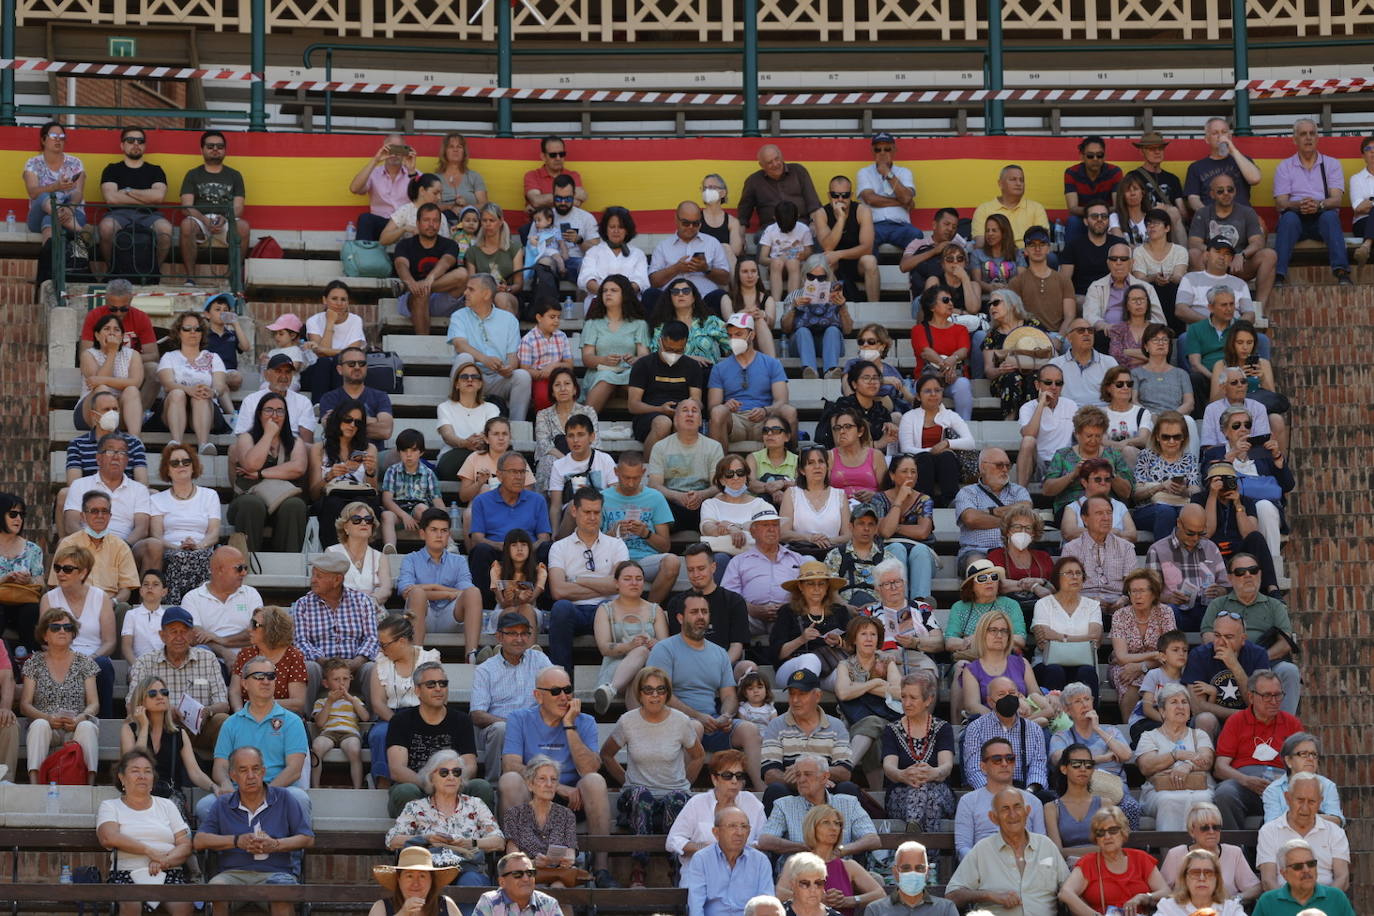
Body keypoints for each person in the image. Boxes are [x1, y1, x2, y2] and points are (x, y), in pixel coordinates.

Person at [499, 667, 615, 885]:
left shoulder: (585, 721)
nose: (564, 697)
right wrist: (556, 786)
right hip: (535, 797)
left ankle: (601, 868)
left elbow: (590, 768)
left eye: (567, 690)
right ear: (538, 696)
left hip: (573, 802)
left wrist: (569, 725)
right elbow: (510, 763)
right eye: (555, 691)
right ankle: (517, 864)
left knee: (595, 781)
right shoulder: (519, 718)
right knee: (510, 780)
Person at [599, 667, 704, 885]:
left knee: (677, 798)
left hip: (672, 797)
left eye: (660, 689)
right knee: (641, 795)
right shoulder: (628, 721)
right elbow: (607, 755)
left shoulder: (681, 721)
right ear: (639, 693)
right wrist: (626, 781)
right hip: (637, 799)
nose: (654, 695)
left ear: (667, 693)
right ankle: (639, 869)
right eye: (648, 690)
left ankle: (676, 868)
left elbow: (698, 757)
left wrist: (684, 784)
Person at [649, 591, 764, 787]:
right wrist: (698, 716)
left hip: (711, 723)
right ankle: (678, 792)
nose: (701, 616)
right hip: (673, 722)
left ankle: (761, 789)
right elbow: (660, 695)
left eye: (704, 611)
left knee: (749, 729)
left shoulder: (719, 653)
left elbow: (729, 695)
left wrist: (726, 716)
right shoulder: (664, 649)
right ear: (680, 617)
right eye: (694, 612)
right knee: (695, 727)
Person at [195, 745, 314, 913]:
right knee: (216, 889)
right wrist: (236, 841)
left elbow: (307, 838)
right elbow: (199, 841)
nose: (251, 776)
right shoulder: (223, 803)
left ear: (263, 772)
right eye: (243, 770)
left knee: (282, 891)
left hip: (276, 873)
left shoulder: (284, 798)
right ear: (233, 776)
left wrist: (276, 844)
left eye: (255, 769)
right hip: (232, 874)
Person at [384, 659, 491, 818]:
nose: (438, 689)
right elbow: (397, 770)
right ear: (418, 690)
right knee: (405, 791)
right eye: (431, 684)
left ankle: (473, 838)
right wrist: (431, 784)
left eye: (443, 684)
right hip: (418, 787)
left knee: (481, 787)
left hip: (453, 786)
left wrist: (450, 783)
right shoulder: (401, 720)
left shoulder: (461, 720)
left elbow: (470, 765)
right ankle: (419, 840)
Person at [383, 749, 503, 890]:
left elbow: (499, 841)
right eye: (444, 772)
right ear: (431, 778)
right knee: (425, 880)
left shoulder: (475, 804)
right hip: (428, 869)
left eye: (456, 772)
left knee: (470, 881)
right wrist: (426, 838)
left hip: (468, 869)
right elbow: (392, 840)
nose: (451, 777)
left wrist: (470, 842)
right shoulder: (415, 807)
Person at [97, 748, 195, 916]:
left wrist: (165, 861)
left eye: (147, 771)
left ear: (153, 778)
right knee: (131, 904)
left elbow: (185, 844)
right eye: (135, 771)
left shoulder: (167, 805)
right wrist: (149, 851)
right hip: (126, 874)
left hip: (168, 872)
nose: (142, 776)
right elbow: (108, 837)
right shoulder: (110, 806)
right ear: (122, 777)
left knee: (183, 906)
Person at [1200, 555, 1300, 715]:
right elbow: (1208, 637)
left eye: (1253, 571)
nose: (1248, 575)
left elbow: (1285, 643)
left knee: (1289, 670)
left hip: (1266, 664)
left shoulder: (1274, 606)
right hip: (1225, 665)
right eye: (1240, 572)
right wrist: (1233, 658)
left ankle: (1283, 730)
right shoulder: (1218, 604)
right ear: (1230, 578)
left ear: (1260, 574)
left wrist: (1259, 658)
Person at [946, 787, 1069, 916]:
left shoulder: (1046, 846)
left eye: (1017, 807)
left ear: (1027, 812)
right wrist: (989, 895)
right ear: (993, 818)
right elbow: (952, 895)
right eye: (1005, 809)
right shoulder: (982, 850)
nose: (1013, 814)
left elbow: (1069, 889)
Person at [126, 603, 231, 749]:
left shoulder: (208, 658)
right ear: (162, 636)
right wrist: (166, 711)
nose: (179, 637)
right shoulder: (144, 662)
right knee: (131, 721)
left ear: (192, 634)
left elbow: (223, 704)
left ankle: (221, 769)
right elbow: (131, 704)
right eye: (173, 631)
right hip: (158, 727)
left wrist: (206, 711)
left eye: (184, 631)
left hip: (199, 730)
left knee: (223, 720)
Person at [1211, 666, 1303, 828]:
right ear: (1251, 697)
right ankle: (1236, 850)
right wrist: (1245, 780)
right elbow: (1220, 767)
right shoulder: (1236, 721)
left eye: (1278, 695)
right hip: (1243, 785)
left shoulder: (1291, 723)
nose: (1274, 701)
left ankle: (1288, 850)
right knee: (1224, 794)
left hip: (1281, 786)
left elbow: (1303, 765)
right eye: (1267, 696)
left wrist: (1283, 783)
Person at [21, 605, 100, 784]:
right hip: (47, 724)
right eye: (55, 628)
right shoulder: (34, 662)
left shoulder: (84, 661)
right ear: (45, 635)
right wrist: (48, 718)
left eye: (67, 627)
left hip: (76, 725)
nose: (62, 631)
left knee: (87, 727)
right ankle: (35, 784)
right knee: (39, 725)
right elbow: (25, 704)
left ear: (73, 634)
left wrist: (79, 718)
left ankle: (90, 784)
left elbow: (94, 703)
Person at [39, 542, 117, 717]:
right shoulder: (48, 598)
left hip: (95, 657)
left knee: (103, 665)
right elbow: (45, 639)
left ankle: (105, 721)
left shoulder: (100, 597)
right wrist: (68, 659)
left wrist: (90, 660)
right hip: (60, 655)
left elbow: (110, 642)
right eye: (58, 568)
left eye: (67, 569)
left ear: (83, 572)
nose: (60, 573)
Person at [227, 392, 309, 553]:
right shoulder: (246, 438)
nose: (275, 415)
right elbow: (251, 464)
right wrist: (269, 434)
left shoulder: (295, 441)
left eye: (280, 411)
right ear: (259, 414)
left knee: (295, 505)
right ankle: (245, 563)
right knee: (251, 504)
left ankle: (289, 564)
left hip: (281, 498)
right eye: (269, 410)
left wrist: (261, 474)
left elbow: (298, 468)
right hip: (247, 498)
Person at [467, 452, 551, 606]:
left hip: (529, 553)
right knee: (480, 551)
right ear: (499, 475)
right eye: (513, 472)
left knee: (548, 548)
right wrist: (503, 547)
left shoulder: (537, 500)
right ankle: (486, 607)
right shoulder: (482, 501)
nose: (519, 477)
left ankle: (546, 607)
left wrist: (528, 548)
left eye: (522, 472)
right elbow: (477, 537)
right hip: (498, 552)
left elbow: (544, 536)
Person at [368, 614, 441, 789]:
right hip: (390, 717)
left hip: (425, 714)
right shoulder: (380, 663)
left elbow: (437, 696)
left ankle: (429, 783)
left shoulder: (429, 659)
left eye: (384, 644)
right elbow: (377, 703)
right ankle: (382, 783)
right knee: (380, 735)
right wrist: (399, 724)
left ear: (401, 641)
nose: (381, 649)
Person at [1273, 118, 1350, 284]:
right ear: (1295, 140)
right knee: (1288, 218)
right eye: (1303, 134)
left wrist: (1319, 204)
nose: (1308, 138)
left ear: (1317, 138)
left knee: (1330, 217)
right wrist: (1299, 205)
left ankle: (1342, 272)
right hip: (1295, 219)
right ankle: (1278, 275)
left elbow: (1336, 200)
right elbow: (1280, 203)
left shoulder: (1332, 164)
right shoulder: (1284, 166)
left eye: (1312, 133)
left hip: (1321, 218)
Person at [757, 751, 878, 857]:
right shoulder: (784, 805)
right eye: (798, 775)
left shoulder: (849, 803)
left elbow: (873, 839)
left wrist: (840, 851)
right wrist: (803, 847)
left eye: (808, 774)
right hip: (797, 873)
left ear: (825, 777)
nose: (801, 779)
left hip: (840, 870)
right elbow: (765, 840)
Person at [292, 552, 381, 693]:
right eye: (313, 575)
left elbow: (372, 638)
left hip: (355, 669)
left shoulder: (362, 601)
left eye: (319, 576)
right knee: (309, 667)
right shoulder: (303, 604)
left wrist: (357, 662)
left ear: (337, 580)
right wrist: (325, 662)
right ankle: (304, 715)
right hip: (321, 668)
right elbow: (301, 642)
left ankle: (373, 715)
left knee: (371, 668)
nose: (313, 580)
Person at [448, 273, 532, 422]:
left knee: (522, 376)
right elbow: (460, 345)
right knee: (464, 358)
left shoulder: (509, 320)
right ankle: (458, 415)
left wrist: (508, 368)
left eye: (471, 289)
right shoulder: (459, 316)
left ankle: (516, 426)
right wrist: (485, 360)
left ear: (486, 294)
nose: (465, 293)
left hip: (498, 378)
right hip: (471, 376)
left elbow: (513, 357)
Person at [1057, 806, 1169, 916]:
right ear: (1096, 838)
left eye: (1113, 830)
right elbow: (1065, 893)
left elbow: (1166, 892)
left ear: (1123, 832)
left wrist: (1144, 897)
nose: (1107, 836)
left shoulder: (1140, 859)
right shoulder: (1088, 863)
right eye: (1100, 832)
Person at [775, 806, 887, 914]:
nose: (833, 828)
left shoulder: (849, 866)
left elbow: (880, 894)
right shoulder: (796, 863)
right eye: (826, 822)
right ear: (812, 827)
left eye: (837, 823)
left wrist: (847, 901)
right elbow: (780, 893)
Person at [1134, 680, 1215, 830]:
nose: (1180, 706)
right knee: (1168, 800)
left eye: (1184, 702)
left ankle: (1202, 853)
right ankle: (1172, 853)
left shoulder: (1199, 734)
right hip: (1161, 790)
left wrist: (1187, 766)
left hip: (1198, 788)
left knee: (1202, 800)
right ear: (1162, 711)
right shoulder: (1149, 736)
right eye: (1174, 702)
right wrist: (1176, 755)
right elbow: (1146, 766)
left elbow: (1207, 760)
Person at [398, 508, 482, 652]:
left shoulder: (459, 561)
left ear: (449, 534)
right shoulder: (410, 559)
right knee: (417, 594)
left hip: (451, 617)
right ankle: (416, 655)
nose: (439, 535)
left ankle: (471, 655)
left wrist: (430, 589)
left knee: (474, 593)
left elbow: (465, 591)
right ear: (422, 533)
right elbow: (406, 592)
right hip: (422, 616)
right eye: (434, 530)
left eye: (444, 531)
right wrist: (448, 593)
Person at [881, 670, 955, 830]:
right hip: (901, 794)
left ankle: (913, 838)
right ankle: (929, 854)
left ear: (928, 700)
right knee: (927, 799)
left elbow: (946, 766)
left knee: (929, 794)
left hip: (939, 791)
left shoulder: (943, 728)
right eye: (903, 697)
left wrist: (932, 773)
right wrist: (902, 775)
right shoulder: (891, 729)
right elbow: (889, 767)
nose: (906, 703)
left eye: (913, 698)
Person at [708, 312, 798, 445]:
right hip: (735, 420)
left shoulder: (772, 363)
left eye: (738, 334)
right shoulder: (719, 368)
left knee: (789, 411)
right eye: (730, 335)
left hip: (765, 421)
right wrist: (725, 406)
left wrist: (766, 410)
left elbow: (782, 401)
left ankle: (791, 463)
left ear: (752, 335)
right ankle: (720, 465)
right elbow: (713, 406)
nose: (733, 339)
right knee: (717, 412)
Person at [590, 560, 667, 713]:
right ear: (616, 583)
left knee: (640, 673)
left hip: (650, 669)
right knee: (641, 653)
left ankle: (611, 691)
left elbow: (666, 647)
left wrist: (655, 643)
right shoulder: (605, 610)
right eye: (627, 579)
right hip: (617, 667)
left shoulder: (655, 609)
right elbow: (605, 648)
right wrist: (630, 646)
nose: (634, 583)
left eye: (639, 579)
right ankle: (613, 687)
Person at [146, 444, 220, 602]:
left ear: (193, 467)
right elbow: (156, 536)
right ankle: (188, 603)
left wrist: (198, 546)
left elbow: (214, 534)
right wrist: (179, 547)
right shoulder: (157, 500)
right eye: (175, 463)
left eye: (186, 462)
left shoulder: (209, 495)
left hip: (202, 548)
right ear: (168, 470)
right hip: (171, 550)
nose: (181, 466)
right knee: (180, 557)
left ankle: (189, 603)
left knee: (198, 557)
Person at [667, 749, 767, 865]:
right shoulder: (697, 803)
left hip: (742, 871)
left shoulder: (752, 803)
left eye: (739, 776)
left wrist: (740, 848)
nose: (734, 781)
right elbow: (673, 840)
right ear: (714, 779)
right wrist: (704, 848)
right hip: (701, 872)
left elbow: (764, 840)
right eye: (727, 776)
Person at [953, 735, 1047, 859]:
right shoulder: (969, 801)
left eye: (1010, 758)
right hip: (984, 866)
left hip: (1024, 866)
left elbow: (1041, 845)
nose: (1004, 764)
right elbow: (963, 847)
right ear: (983, 767)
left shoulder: (1033, 801)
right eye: (997, 759)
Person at [1256, 772, 1350, 891]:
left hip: (1326, 901)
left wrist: (1325, 903)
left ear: (1320, 802)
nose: (1305, 808)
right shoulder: (1269, 831)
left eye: (1311, 801)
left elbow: (1342, 878)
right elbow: (1268, 880)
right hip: (1283, 901)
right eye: (1300, 800)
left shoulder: (1334, 832)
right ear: (1287, 798)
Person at [962, 675, 1051, 799]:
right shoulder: (976, 728)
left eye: (1012, 693)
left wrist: (1029, 792)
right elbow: (974, 769)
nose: (1008, 698)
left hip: (1025, 790)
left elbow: (1038, 767)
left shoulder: (1034, 729)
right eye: (1001, 694)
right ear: (990, 702)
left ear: (1019, 697)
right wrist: (993, 794)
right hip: (988, 791)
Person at [63, 433, 152, 555]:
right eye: (110, 451)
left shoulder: (139, 489)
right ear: (98, 458)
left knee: (153, 546)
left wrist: (122, 546)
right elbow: (71, 523)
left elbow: (142, 528)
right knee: (63, 544)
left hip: (125, 546)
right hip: (87, 545)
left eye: (121, 452)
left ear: (126, 461)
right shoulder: (80, 485)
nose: (116, 457)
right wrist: (91, 543)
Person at [722, 509, 805, 638]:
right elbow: (729, 596)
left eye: (775, 525)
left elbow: (808, 591)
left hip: (790, 614)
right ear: (753, 532)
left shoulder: (797, 559)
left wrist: (789, 607)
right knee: (728, 621)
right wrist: (750, 609)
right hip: (749, 616)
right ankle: (733, 657)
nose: (771, 529)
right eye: (765, 525)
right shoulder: (738, 561)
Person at [308, 398, 379, 549]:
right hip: (330, 501)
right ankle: (335, 553)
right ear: (337, 419)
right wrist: (329, 476)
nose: (352, 425)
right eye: (348, 420)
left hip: (361, 498)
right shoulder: (319, 449)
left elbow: (374, 492)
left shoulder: (369, 449)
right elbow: (313, 495)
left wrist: (371, 472)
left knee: (362, 504)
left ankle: (362, 553)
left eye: (358, 422)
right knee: (334, 502)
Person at [178, 130, 248, 282]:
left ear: (225, 150)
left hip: (226, 218)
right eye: (210, 146)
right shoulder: (193, 174)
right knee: (186, 225)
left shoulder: (235, 175)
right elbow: (186, 207)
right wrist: (204, 220)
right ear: (202, 149)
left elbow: (238, 208)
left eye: (219, 146)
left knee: (243, 227)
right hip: (200, 219)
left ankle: (232, 277)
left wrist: (225, 218)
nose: (215, 149)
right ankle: (190, 279)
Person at [156, 310, 229, 455]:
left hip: (207, 411)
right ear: (179, 332)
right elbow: (167, 384)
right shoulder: (169, 357)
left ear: (203, 333)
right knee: (177, 392)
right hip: (173, 410)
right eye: (187, 328)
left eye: (198, 329)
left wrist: (211, 392)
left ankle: (204, 444)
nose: (193, 332)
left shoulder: (213, 357)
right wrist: (188, 390)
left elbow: (220, 386)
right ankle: (176, 442)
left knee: (201, 394)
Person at [1158, 801, 1262, 902]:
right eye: (1205, 828)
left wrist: (1236, 899)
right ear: (1192, 831)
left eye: (1216, 827)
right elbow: (1162, 890)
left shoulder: (1234, 853)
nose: (1211, 832)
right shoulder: (1176, 854)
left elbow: (1255, 887)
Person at [1108, 568, 1177, 720]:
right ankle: (1129, 729)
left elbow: (1170, 653)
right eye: (1133, 591)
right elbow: (1121, 657)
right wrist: (1154, 654)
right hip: (1123, 666)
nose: (1137, 596)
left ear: (1153, 593)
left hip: (1160, 666)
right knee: (1128, 680)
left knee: (1149, 678)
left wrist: (1141, 666)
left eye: (1142, 591)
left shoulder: (1165, 613)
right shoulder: (1120, 615)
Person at [770, 561, 851, 690]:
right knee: (811, 659)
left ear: (827, 587)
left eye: (821, 584)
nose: (816, 589)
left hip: (829, 667)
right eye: (810, 584)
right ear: (800, 587)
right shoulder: (787, 611)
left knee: (843, 676)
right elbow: (777, 654)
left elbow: (854, 648)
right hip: (792, 671)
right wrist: (801, 639)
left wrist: (839, 641)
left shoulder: (839, 611)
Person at [97, 125, 172, 266]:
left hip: (149, 215)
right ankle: (111, 269)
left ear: (145, 146)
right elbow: (111, 198)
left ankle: (155, 271)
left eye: (140, 141)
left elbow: (158, 198)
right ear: (122, 145)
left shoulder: (155, 170)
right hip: (118, 215)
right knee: (106, 228)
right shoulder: (112, 169)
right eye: (130, 140)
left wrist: (127, 191)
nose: (136, 144)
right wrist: (146, 197)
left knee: (166, 230)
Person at [683, 805, 774, 916]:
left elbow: (766, 904)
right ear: (716, 832)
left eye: (744, 827)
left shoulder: (760, 861)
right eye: (732, 826)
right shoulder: (702, 859)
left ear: (749, 832)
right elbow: (696, 906)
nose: (739, 832)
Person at [898, 374, 974, 507]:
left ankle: (951, 501)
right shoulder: (909, 417)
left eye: (937, 390)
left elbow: (970, 442)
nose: (933, 394)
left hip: (945, 465)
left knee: (946, 456)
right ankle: (923, 501)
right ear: (918, 396)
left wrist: (946, 443)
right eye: (927, 391)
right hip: (920, 464)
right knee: (925, 458)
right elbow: (906, 448)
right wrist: (932, 451)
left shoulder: (951, 416)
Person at [580, 274, 651, 413]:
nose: (608, 294)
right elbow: (587, 358)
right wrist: (604, 360)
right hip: (600, 373)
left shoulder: (639, 324)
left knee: (635, 379)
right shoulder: (592, 323)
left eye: (614, 290)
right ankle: (584, 423)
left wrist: (635, 359)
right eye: (605, 291)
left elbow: (644, 355)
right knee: (606, 377)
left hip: (628, 372)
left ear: (625, 294)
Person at [648, 398, 723, 530]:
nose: (690, 414)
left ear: (700, 421)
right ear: (675, 420)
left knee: (719, 498)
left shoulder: (714, 447)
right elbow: (654, 484)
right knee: (655, 501)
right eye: (685, 410)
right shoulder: (660, 447)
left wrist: (701, 495)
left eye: (694, 411)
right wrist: (677, 497)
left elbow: (717, 485)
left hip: (703, 504)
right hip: (672, 503)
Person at [393, 201, 467, 336]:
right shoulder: (405, 244)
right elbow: (401, 265)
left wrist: (429, 280)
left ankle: (423, 288)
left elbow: (446, 262)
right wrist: (410, 283)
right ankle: (424, 342)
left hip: (441, 298)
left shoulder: (450, 244)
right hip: (413, 297)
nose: (431, 224)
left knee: (462, 274)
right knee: (421, 294)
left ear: (440, 224)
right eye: (426, 220)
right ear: (418, 223)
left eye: (435, 221)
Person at [52, 490, 138, 604]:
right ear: (83, 516)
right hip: (75, 603)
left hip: (109, 604)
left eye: (104, 511)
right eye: (94, 511)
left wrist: (113, 602)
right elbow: (56, 584)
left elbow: (126, 589)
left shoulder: (121, 546)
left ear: (110, 516)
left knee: (123, 607)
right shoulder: (68, 544)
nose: (100, 516)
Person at [954, 448, 1032, 572]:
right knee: (980, 568)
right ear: (983, 467)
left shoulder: (1018, 490)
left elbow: (1024, 510)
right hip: (979, 552)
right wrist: (1011, 522)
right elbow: (971, 519)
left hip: (1014, 551)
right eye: (999, 465)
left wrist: (988, 512)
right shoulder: (968, 492)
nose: (1005, 470)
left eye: (1008, 465)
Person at [647, 201, 732, 314]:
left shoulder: (712, 243)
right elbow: (654, 281)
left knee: (720, 296)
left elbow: (725, 279)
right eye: (686, 223)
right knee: (650, 294)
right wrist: (677, 268)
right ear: (676, 220)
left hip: (704, 300)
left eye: (695, 223)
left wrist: (706, 269)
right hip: (671, 302)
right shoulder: (663, 246)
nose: (691, 227)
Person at [956, 608, 1036, 727]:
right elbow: (972, 705)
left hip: (1025, 722)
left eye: (1004, 631)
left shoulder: (1022, 663)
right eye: (993, 630)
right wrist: (1003, 720)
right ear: (982, 634)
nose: (999, 635)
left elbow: (1035, 694)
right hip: (989, 725)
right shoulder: (971, 669)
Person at [227, 605, 307, 716]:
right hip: (245, 715)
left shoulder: (294, 656)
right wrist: (240, 713)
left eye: (255, 625)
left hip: (281, 717)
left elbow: (297, 702)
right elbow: (234, 691)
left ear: (272, 629)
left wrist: (261, 705)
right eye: (251, 623)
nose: (249, 629)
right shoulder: (245, 654)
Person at [318, 345, 396, 454]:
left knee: (397, 453)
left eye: (362, 363)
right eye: (351, 364)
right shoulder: (329, 398)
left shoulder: (380, 396)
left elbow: (385, 431)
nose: (357, 367)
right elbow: (331, 429)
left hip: (374, 456)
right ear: (339, 369)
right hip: (339, 456)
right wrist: (372, 420)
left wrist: (344, 421)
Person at [911, 286, 973, 420]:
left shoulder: (961, 329)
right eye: (945, 300)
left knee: (963, 384)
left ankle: (964, 427)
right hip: (927, 378)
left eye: (951, 300)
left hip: (954, 378)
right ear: (932, 307)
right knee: (927, 386)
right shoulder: (919, 330)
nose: (950, 303)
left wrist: (952, 360)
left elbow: (963, 350)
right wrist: (946, 366)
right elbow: (925, 352)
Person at [80, 313, 145, 437]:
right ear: (97, 335)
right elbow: (97, 385)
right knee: (102, 389)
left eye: (116, 330)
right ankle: (103, 440)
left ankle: (135, 440)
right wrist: (112, 352)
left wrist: (101, 379)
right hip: (91, 411)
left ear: (121, 336)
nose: (112, 333)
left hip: (121, 411)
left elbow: (135, 382)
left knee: (132, 390)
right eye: (106, 329)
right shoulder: (88, 355)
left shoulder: (133, 355)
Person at [815, 175, 879, 302]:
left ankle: (874, 307)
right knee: (826, 261)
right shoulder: (821, 214)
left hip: (857, 260)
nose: (840, 199)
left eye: (845, 195)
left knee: (870, 260)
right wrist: (841, 219)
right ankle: (835, 307)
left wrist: (839, 254)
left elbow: (867, 249)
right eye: (835, 195)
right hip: (835, 264)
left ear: (852, 195)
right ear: (829, 196)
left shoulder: (863, 211)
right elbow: (828, 247)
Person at [779, 447, 852, 560]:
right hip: (800, 555)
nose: (817, 466)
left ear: (827, 467)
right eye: (811, 463)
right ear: (802, 470)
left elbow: (848, 535)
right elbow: (783, 533)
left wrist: (828, 540)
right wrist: (809, 538)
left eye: (821, 461)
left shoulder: (840, 495)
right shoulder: (791, 493)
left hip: (834, 557)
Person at [302, 280, 368, 402]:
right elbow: (320, 354)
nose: (339, 303)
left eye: (343, 299)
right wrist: (330, 322)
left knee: (340, 365)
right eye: (334, 298)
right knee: (324, 362)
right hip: (317, 373)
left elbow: (352, 355)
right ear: (324, 300)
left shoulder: (355, 320)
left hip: (346, 371)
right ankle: (320, 405)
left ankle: (342, 408)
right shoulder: (313, 321)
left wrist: (326, 351)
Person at [309, 656, 370, 788]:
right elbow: (319, 723)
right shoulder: (322, 702)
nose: (342, 683)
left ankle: (357, 787)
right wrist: (329, 702)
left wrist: (353, 701)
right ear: (326, 683)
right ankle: (315, 786)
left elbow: (365, 718)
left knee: (354, 748)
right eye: (336, 679)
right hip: (328, 733)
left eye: (345, 679)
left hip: (349, 733)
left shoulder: (355, 700)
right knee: (317, 746)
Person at [1252, 839, 1356, 916]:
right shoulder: (1268, 901)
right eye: (1297, 866)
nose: (1306, 870)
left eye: (1311, 863)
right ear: (1284, 874)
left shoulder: (1336, 897)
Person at [436, 363, 502, 482]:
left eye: (475, 377)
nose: (470, 379)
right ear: (457, 384)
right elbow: (448, 435)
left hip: (483, 454)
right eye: (464, 377)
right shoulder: (445, 407)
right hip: (453, 458)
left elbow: (491, 433)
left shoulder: (491, 408)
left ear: (480, 384)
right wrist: (465, 443)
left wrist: (479, 441)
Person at [737, 144, 824, 236]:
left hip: (801, 225)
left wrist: (814, 224)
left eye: (777, 159)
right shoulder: (753, 181)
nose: (775, 164)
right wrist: (741, 237)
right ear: (761, 165)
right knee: (761, 238)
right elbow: (744, 213)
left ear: (782, 157)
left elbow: (813, 203)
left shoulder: (798, 171)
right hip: (770, 229)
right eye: (769, 162)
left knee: (817, 235)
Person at [1015, 365, 1078, 490]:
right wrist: (1041, 405)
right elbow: (1029, 433)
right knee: (1028, 440)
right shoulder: (1028, 407)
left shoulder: (1071, 405)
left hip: (1063, 462)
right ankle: (1020, 494)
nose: (1054, 387)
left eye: (1058, 383)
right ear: (1038, 385)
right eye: (1048, 382)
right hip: (1038, 464)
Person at [1261, 733, 1345, 826]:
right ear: (1288, 760)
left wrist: (1301, 818)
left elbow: (1337, 820)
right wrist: (1313, 818)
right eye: (1303, 754)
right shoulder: (1273, 790)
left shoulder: (1328, 786)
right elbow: (1272, 826)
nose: (1310, 758)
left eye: (1314, 754)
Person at [856, 132, 921, 251]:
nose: (882, 153)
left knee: (916, 235)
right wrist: (901, 202)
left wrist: (887, 173)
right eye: (877, 149)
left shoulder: (904, 172)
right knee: (864, 238)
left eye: (887, 149)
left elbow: (906, 198)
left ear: (895, 150)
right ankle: (871, 269)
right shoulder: (864, 172)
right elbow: (870, 199)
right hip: (874, 226)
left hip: (901, 226)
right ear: (872, 151)